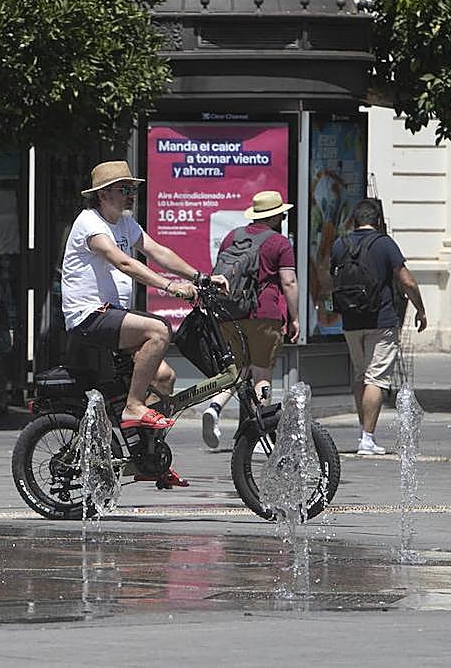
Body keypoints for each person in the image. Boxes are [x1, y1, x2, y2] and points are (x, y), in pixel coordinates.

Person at [61, 160, 226, 486]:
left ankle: (148, 460)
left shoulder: (124, 222)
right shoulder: (89, 224)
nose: (131, 194)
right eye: (125, 189)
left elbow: (157, 251)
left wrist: (199, 277)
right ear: (104, 193)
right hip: (88, 316)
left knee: (164, 378)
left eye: (132, 189)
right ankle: (134, 406)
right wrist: (169, 286)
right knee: (159, 329)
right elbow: (123, 262)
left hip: (111, 316)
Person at [202, 190, 301, 449]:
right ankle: (258, 435)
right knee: (261, 375)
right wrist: (295, 318)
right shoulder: (279, 243)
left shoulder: (231, 238)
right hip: (263, 314)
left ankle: (214, 407)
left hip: (230, 315)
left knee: (237, 371)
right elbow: (289, 282)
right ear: (276, 215)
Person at [331, 198, 427, 455]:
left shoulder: (340, 244)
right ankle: (367, 438)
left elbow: (330, 275)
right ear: (378, 221)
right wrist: (420, 308)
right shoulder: (384, 244)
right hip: (381, 320)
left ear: (354, 221)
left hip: (351, 321)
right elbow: (406, 280)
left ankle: (365, 433)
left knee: (361, 375)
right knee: (377, 378)